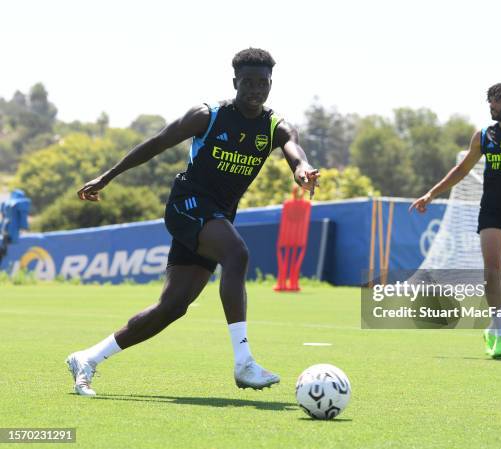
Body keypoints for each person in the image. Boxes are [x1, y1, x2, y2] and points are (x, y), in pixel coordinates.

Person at [66, 48, 319, 396]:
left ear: (271, 85)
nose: (256, 90)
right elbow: (156, 143)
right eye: (249, 82)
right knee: (237, 254)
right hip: (188, 204)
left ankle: (87, 358)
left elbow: (295, 151)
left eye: (263, 83)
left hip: (216, 216)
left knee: (172, 308)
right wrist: (106, 177)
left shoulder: (275, 126)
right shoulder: (208, 116)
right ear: (235, 82)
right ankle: (244, 361)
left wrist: (302, 170)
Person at [410, 83, 501, 358]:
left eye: (496, 101)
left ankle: (495, 326)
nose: (490, 105)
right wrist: (431, 193)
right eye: (489, 100)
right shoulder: (484, 135)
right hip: (492, 211)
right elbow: (462, 169)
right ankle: (500, 331)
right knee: (492, 269)